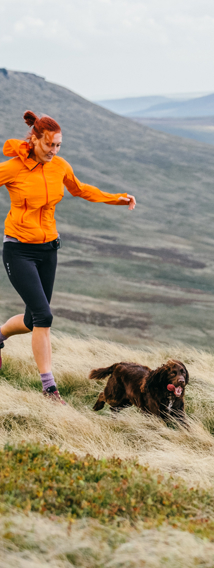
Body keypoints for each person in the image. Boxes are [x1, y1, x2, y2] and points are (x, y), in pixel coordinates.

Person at [0, 111, 136, 403]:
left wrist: (116, 198)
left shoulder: (59, 166)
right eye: (50, 145)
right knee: (44, 316)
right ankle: (49, 389)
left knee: (30, 319)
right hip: (18, 249)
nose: (54, 151)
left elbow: (80, 189)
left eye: (59, 146)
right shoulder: (12, 169)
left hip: (48, 250)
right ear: (34, 139)